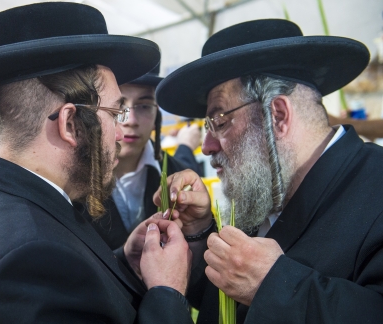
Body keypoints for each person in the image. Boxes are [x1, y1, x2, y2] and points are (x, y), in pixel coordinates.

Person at [0, 3, 197, 323]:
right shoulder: (31, 260)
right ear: (70, 123)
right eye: (115, 113)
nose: (120, 131)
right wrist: (167, 293)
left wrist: (122, 263)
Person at [155, 19, 383, 323]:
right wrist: (198, 235)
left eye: (219, 120)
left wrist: (274, 286)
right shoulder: (266, 189)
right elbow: (226, 302)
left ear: (277, 115)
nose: (206, 146)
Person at [83, 63, 202, 249]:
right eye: (118, 106)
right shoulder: (75, 178)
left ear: (157, 115)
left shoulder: (178, 175)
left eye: (144, 106)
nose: (131, 120)